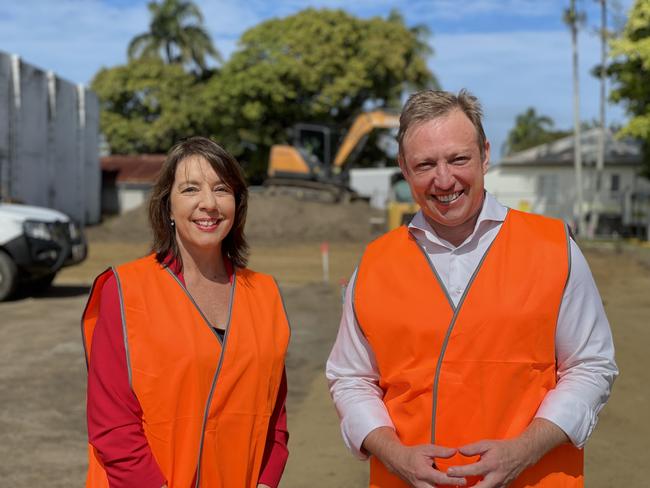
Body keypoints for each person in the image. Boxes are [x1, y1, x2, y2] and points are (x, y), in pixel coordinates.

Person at [326, 89, 617, 488]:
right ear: (404, 169)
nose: (443, 179)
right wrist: (394, 454)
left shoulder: (555, 249)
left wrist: (525, 450)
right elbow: (350, 377)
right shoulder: (375, 264)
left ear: (484, 154)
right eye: (425, 164)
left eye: (458, 159)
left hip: (533, 478)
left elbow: (591, 365)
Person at [82, 137, 290, 488]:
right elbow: (112, 423)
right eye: (191, 189)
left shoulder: (264, 293)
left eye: (221, 189)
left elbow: (275, 417)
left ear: (237, 203)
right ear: (168, 206)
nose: (208, 204)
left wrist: (266, 482)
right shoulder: (127, 289)